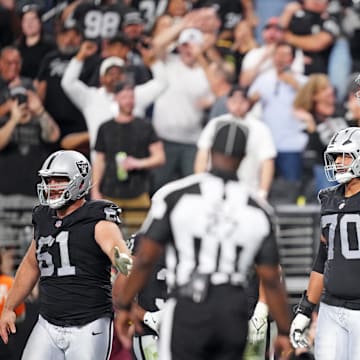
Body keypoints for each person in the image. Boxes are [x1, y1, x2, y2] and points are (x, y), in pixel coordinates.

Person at [113, 122, 293, 359]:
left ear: (210, 152)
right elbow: (271, 278)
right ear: (242, 158)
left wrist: (125, 305)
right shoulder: (258, 209)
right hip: (232, 309)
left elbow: (145, 258)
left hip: (189, 305)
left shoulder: (176, 196)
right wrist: (283, 329)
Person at [0, 149, 133, 360]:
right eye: (48, 180)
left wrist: (128, 276)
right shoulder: (43, 218)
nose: (52, 186)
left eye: (59, 179)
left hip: (89, 324)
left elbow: (121, 258)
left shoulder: (97, 219)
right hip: (48, 322)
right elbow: (31, 264)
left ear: (79, 182)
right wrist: (9, 307)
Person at [290, 127, 360, 360]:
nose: (339, 162)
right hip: (330, 308)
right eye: (336, 156)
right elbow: (323, 259)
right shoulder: (328, 198)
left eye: (346, 156)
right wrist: (305, 310)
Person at [92, 81, 165, 237]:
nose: (129, 101)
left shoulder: (144, 126)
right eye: (124, 97)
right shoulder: (105, 128)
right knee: (108, 238)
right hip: (110, 192)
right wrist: (95, 190)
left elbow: (159, 157)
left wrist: (138, 163)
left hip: (138, 192)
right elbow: (99, 161)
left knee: (140, 238)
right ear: (116, 99)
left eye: (131, 97)